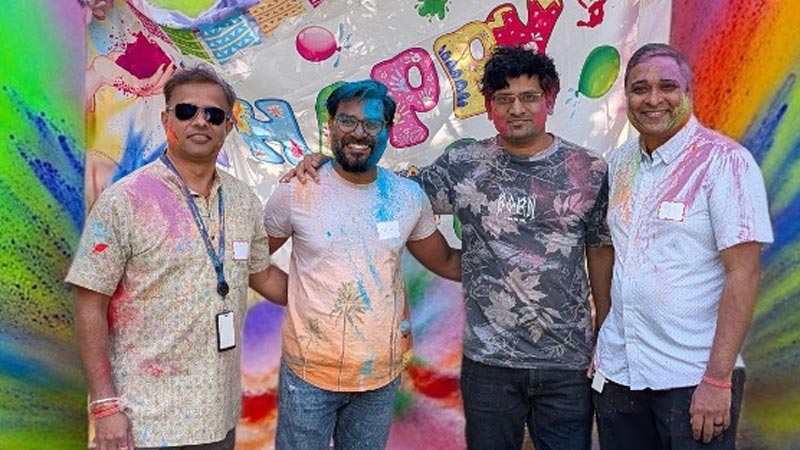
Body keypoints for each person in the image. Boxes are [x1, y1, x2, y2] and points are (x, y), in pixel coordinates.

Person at [290, 46, 614, 450]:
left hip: (566, 358)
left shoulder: (589, 169)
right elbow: (390, 189)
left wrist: (605, 323)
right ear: (489, 107)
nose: (516, 109)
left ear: (549, 99)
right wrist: (329, 161)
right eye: (504, 99)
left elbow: (599, 247)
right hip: (489, 361)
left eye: (529, 97)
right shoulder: (463, 164)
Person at [67, 65, 288, 450]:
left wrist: (330, 290)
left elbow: (263, 275)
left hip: (217, 417)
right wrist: (105, 407)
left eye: (214, 114)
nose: (200, 121)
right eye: (187, 111)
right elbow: (89, 303)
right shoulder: (126, 200)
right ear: (166, 118)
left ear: (227, 127)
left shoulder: (243, 201)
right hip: (143, 421)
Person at [592, 43, 773, 450]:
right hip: (621, 373)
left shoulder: (725, 163)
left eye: (667, 86)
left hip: (692, 378)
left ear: (689, 92)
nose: (653, 99)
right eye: (640, 89)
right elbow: (611, 255)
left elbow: (743, 272)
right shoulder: (620, 164)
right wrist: (602, 340)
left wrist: (716, 380)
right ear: (627, 96)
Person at [264, 79, 462, 450]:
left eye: (372, 124)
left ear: (387, 130)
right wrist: (291, 296)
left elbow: (447, 260)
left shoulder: (406, 196)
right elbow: (254, 260)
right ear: (330, 125)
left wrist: (505, 263)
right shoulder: (296, 190)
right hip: (308, 376)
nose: (359, 133)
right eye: (347, 121)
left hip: (378, 379)